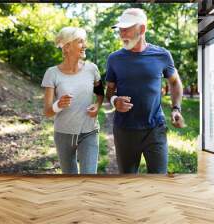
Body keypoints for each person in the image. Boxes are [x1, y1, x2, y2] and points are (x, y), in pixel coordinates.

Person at [105, 8, 184, 174]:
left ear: (142, 29)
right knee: (127, 181)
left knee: (158, 180)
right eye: (120, 29)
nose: (121, 33)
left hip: (155, 129)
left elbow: (175, 82)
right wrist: (114, 101)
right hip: (124, 130)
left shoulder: (162, 55)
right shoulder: (114, 59)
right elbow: (109, 90)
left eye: (126, 29)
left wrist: (176, 108)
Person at [41, 27, 104, 174]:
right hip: (63, 134)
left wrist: (97, 105)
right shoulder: (52, 73)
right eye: (80, 42)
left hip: (89, 131)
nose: (85, 45)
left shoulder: (92, 69)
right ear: (67, 46)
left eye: (84, 41)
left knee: (88, 177)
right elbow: (48, 112)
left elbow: (100, 94)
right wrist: (58, 105)